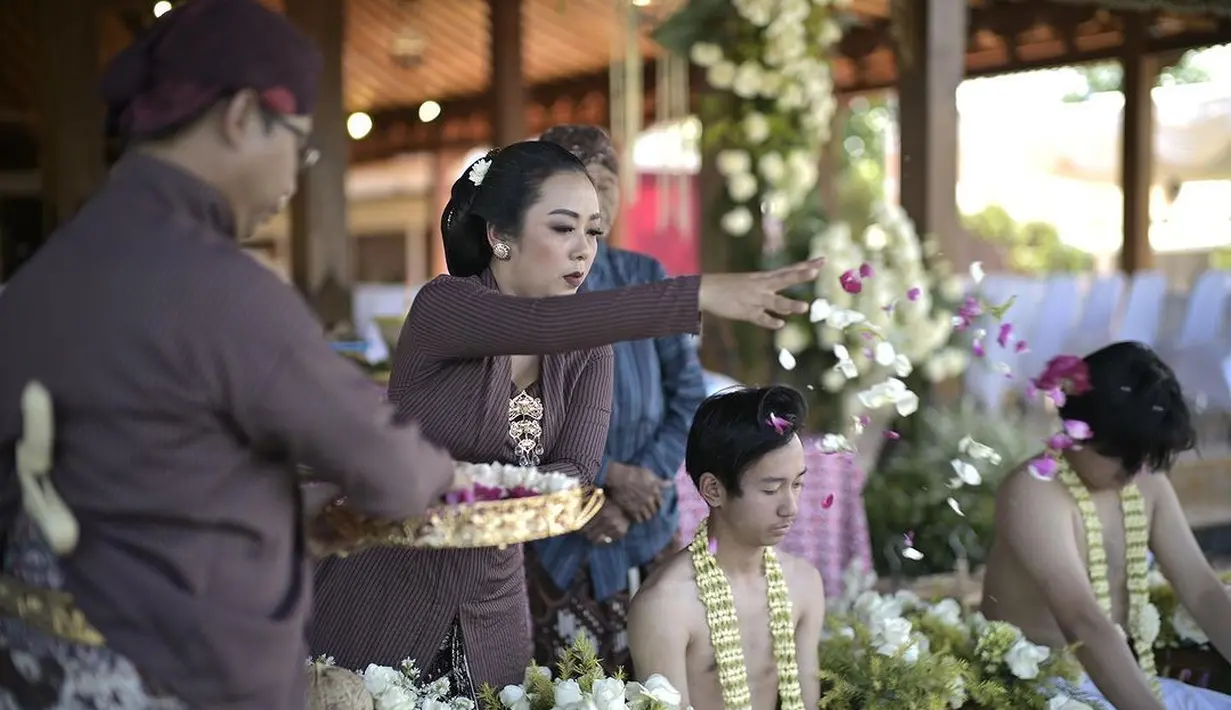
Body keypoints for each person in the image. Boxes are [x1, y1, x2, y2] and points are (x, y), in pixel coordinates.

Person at [0, 1, 460, 708]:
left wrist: (278, 518)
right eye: (300, 146)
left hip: (35, 671)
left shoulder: (39, 281)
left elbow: (132, 471)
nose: (294, 176)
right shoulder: (216, 288)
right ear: (244, 114)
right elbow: (396, 472)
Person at [308, 141, 821, 695]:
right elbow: (541, 326)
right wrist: (699, 293)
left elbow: (574, 470)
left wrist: (547, 498)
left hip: (493, 604)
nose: (585, 251)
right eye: (563, 229)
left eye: (593, 232)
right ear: (499, 237)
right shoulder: (444, 304)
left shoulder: (589, 349)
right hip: (383, 591)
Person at [524, 125, 706, 675]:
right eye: (583, 183)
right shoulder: (526, 289)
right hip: (559, 525)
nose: (598, 200)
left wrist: (637, 483)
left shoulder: (644, 277)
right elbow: (517, 419)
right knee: (562, 685)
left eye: (608, 183)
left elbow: (688, 392)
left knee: (660, 680)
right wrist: (602, 479)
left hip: (645, 520)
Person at [984, 342, 1231, 710]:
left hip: (1123, 678)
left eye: (1143, 458)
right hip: (1034, 689)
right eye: (1122, 456)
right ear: (1075, 430)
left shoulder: (1146, 482)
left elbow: (1201, 590)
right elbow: (1083, 621)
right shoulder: (1034, 491)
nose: (1132, 472)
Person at [628, 385, 825, 710]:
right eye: (772, 489)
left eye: (797, 484)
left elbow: (808, 703)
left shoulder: (804, 583)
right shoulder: (666, 605)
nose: (790, 507)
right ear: (713, 490)